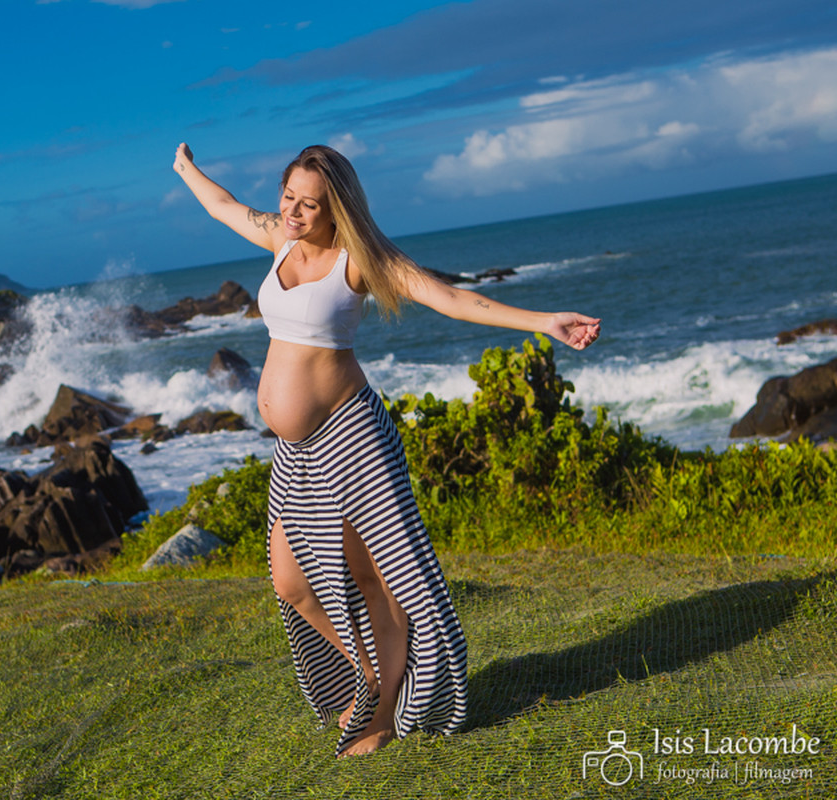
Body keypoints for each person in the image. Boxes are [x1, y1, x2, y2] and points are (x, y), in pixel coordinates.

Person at [172, 142, 601, 757]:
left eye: (309, 204)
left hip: (350, 437)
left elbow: (450, 298)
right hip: (295, 451)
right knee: (291, 581)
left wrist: (541, 320)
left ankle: (385, 705)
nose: (293, 210)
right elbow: (222, 206)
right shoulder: (279, 239)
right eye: (288, 195)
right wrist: (187, 169)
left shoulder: (360, 260)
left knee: (373, 579)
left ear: (336, 207)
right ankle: (377, 678)